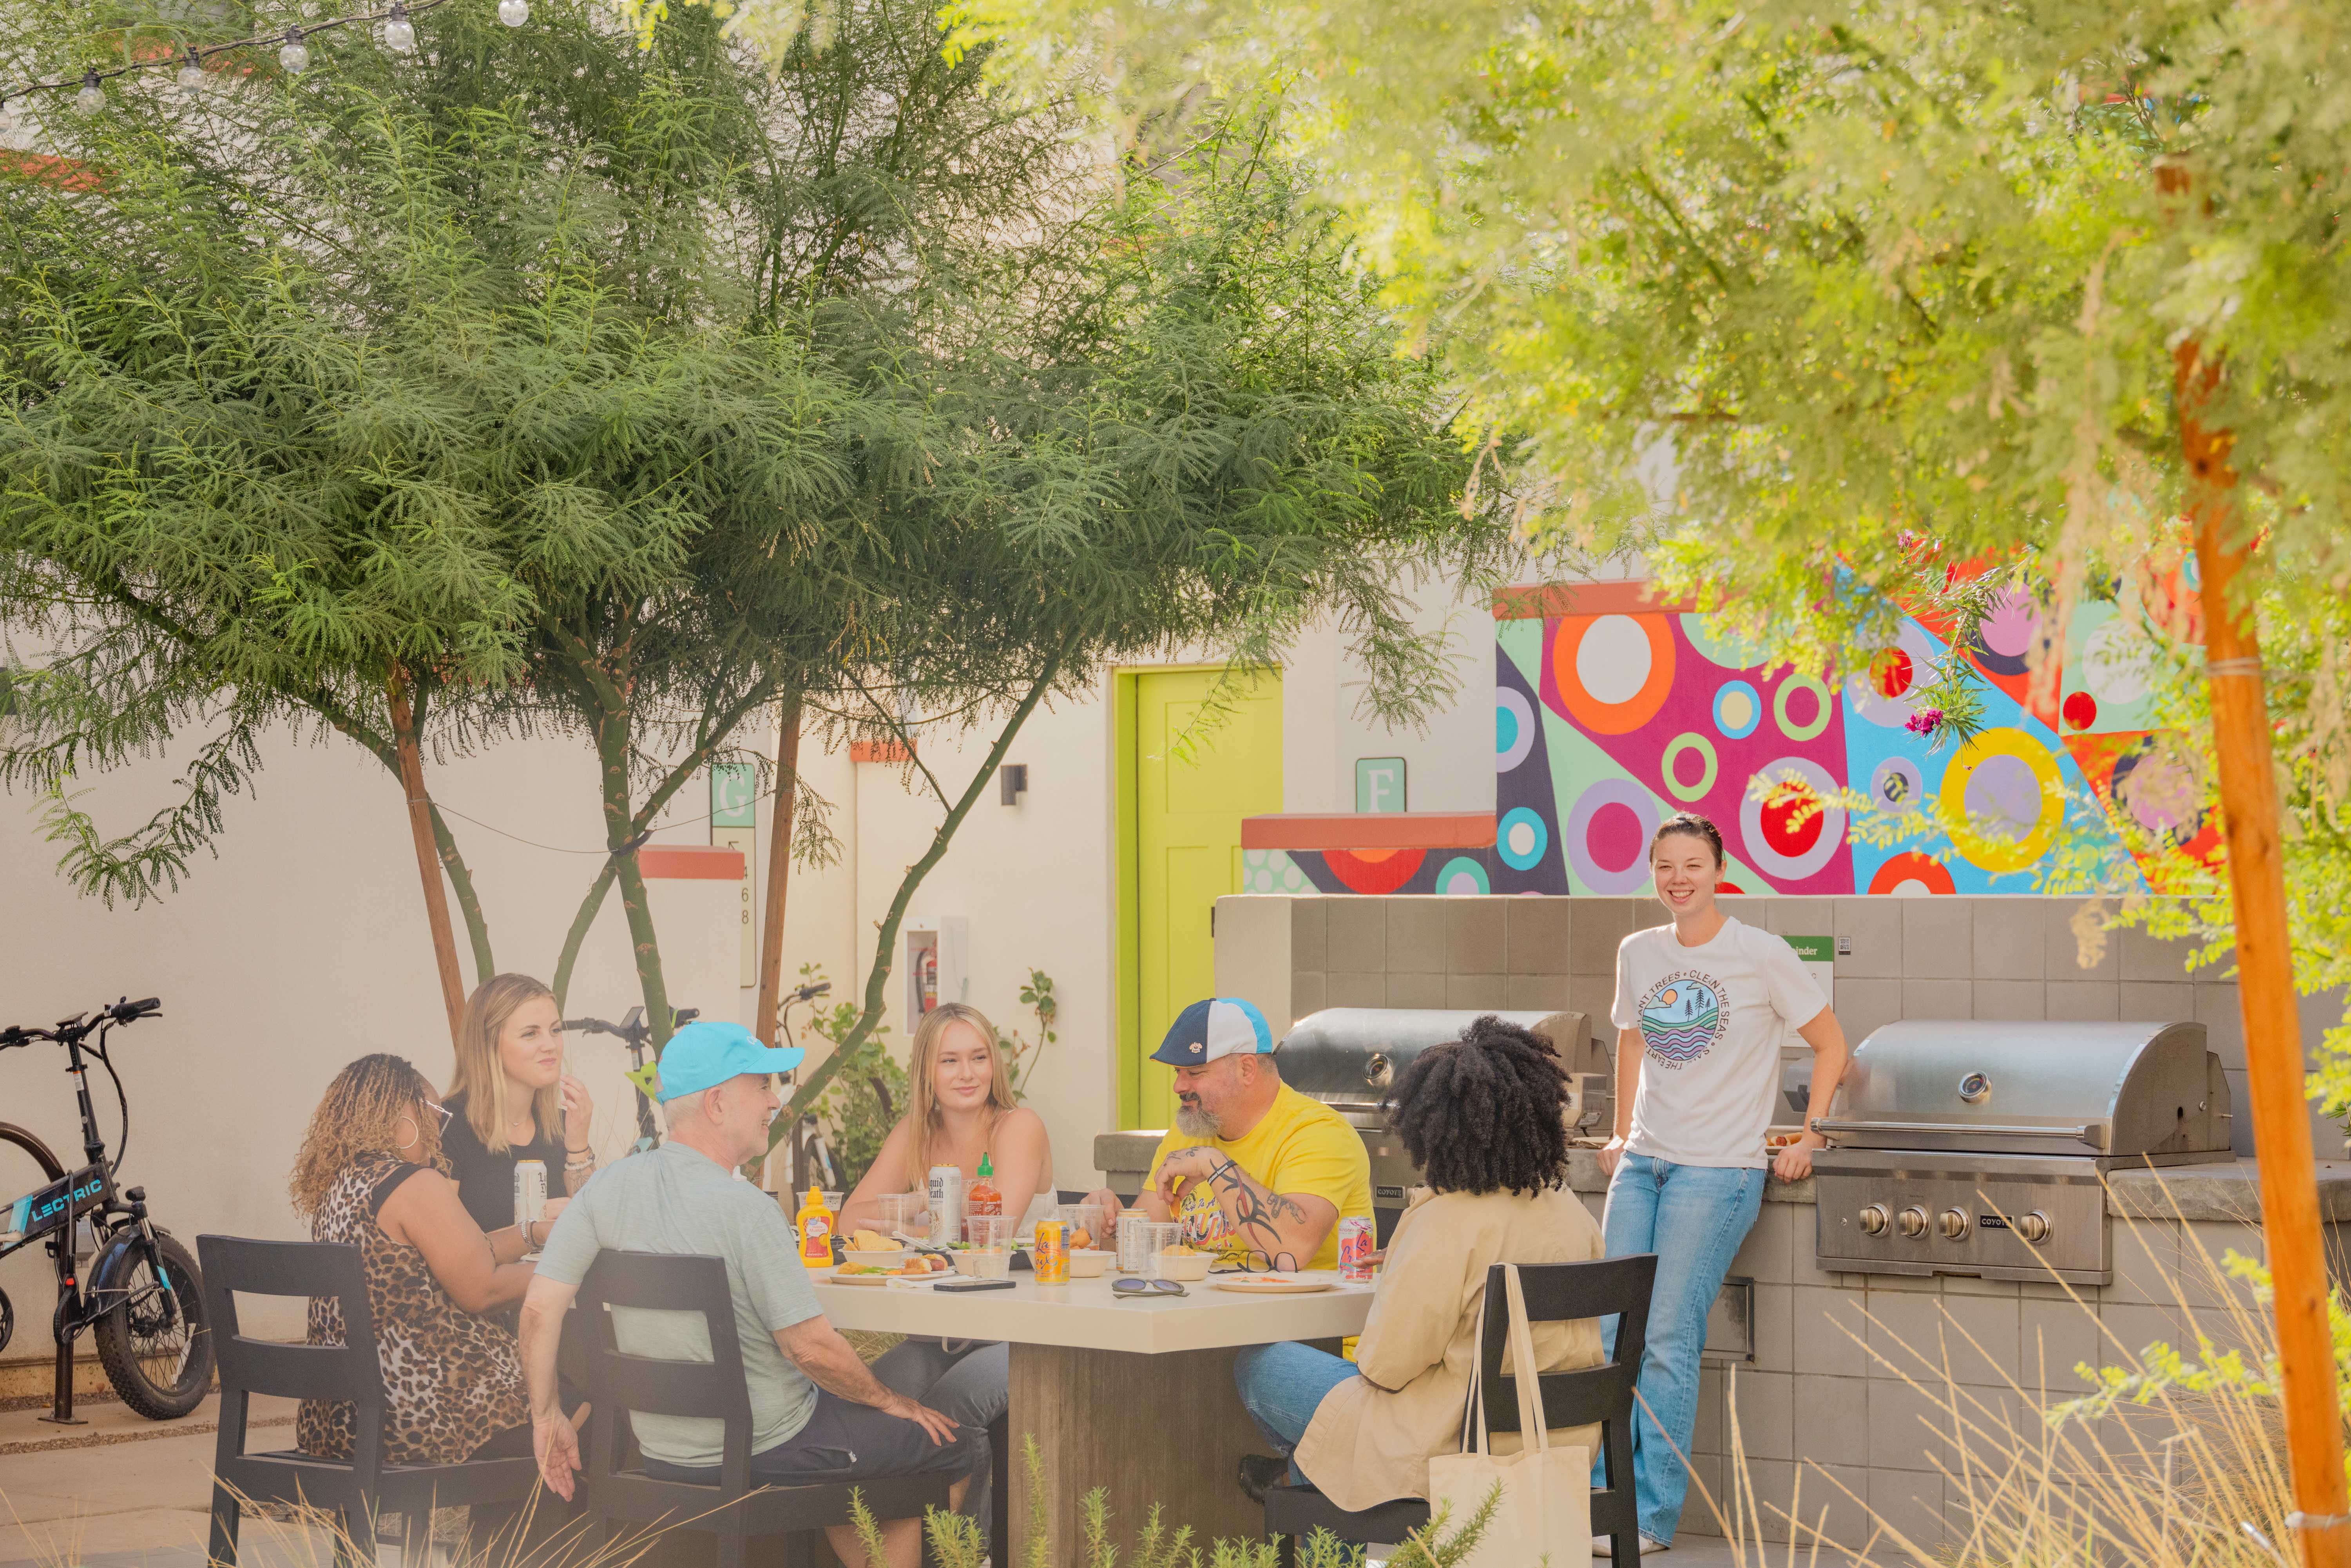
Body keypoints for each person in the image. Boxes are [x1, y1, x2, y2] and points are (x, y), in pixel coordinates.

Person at [521, 1021, 975, 1568]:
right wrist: (890, 1400)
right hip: (769, 1444)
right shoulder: (747, 1210)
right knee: (957, 1447)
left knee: (870, 1458)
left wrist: (546, 1416)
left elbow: (539, 1307)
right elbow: (809, 1349)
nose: (775, 1099)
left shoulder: (608, 1187)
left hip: (662, 1449)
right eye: (761, 1085)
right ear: (717, 1103)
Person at [1598, 811, 1851, 1554]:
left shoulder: (1761, 953)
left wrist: (1812, 1133)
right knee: (1609, 1331)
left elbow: (1831, 1043)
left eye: (1693, 865)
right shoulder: (1638, 951)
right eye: (1665, 866)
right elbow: (1632, 1040)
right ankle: (1596, 1501)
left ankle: (1647, 1516)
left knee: (1670, 1335)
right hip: (1644, 1165)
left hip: (1720, 1170)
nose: (1679, 879)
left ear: (1718, 871)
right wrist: (1620, 1132)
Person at [1229, 1015, 1608, 1509]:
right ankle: (1302, 1476)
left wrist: (1409, 1268)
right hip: (1562, 1442)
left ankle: (1303, 1476)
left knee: (1258, 1364)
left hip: (1457, 1445)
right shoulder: (1571, 1211)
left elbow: (1386, 1367)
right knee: (1333, 1427)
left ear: (1434, 1128)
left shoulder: (1448, 1220)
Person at [836, 1001, 1047, 1551]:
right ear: (927, 1071)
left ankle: (959, 1554)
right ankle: (883, 1551)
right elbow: (848, 1219)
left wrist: (915, 1216)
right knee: (867, 1396)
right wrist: (911, 1207)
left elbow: (992, 1229)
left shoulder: (1017, 1125)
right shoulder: (916, 1131)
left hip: (1029, 1332)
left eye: (979, 1057)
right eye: (950, 1060)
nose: (968, 1072)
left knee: (956, 1403)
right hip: (947, 1328)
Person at [288, 1053, 536, 1468]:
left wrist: (533, 1234)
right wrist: (569, 1272)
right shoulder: (414, 1183)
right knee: (584, 1404)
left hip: (345, 1420)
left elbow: (462, 1253)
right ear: (402, 1112)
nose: (439, 1129)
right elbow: (483, 1291)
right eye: (436, 1112)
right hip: (424, 1420)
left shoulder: (346, 1185)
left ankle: (502, 1529)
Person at [1081, 997, 1371, 1273]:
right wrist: (1109, 1226)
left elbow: (1291, 1252)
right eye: (1177, 1072)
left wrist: (1215, 1165)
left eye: (1194, 1073)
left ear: (1247, 1069)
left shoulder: (1318, 1132)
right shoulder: (1191, 1130)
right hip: (1204, 1313)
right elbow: (1141, 1251)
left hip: (1300, 1321)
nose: (1179, 1087)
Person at [441, 972, 596, 1254]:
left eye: (555, 1030)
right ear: (489, 1044)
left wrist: (578, 1145)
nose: (550, 1045)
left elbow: (594, 1226)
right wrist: (530, 1229)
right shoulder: (449, 1125)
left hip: (562, 1293)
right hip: (490, 1296)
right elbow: (445, 1251)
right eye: (530, 1034)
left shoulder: (559, 1125)